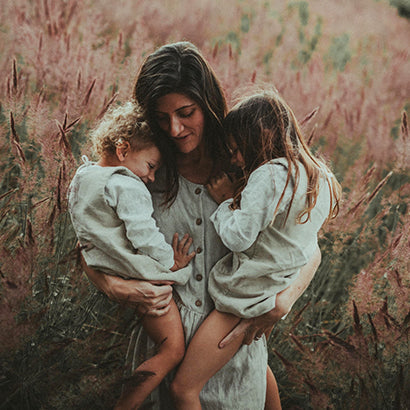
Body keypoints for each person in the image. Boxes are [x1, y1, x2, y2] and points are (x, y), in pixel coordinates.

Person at [82, 41, 323, 409]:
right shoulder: (140, 173)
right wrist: (115, 286)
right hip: (165, 356)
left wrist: (282, 301)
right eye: (161, 118)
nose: (175, 129)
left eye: (186, 112)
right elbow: (92, 242)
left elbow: (307, 247)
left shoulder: (250, 167)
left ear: (208, 104)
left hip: (233, 352)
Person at [169, 90, 342, 409]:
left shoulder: (269, 175)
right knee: (256, 367)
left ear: (256, 139)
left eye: (236, 150)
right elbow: (305, 239)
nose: (235, 159)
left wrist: (223, 205)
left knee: (183, 387)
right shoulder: (320, 176)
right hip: (274, 287)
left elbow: (237, 239)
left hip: (243, 297)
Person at [67, 101, 195, 409]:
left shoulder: (83, 176)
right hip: (138, 274)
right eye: (150, 166)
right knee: (172, 350)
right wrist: (170, 262)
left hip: (105, 268)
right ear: (123, 149)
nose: (151, 178)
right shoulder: (126, 184)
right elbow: (144, 235)